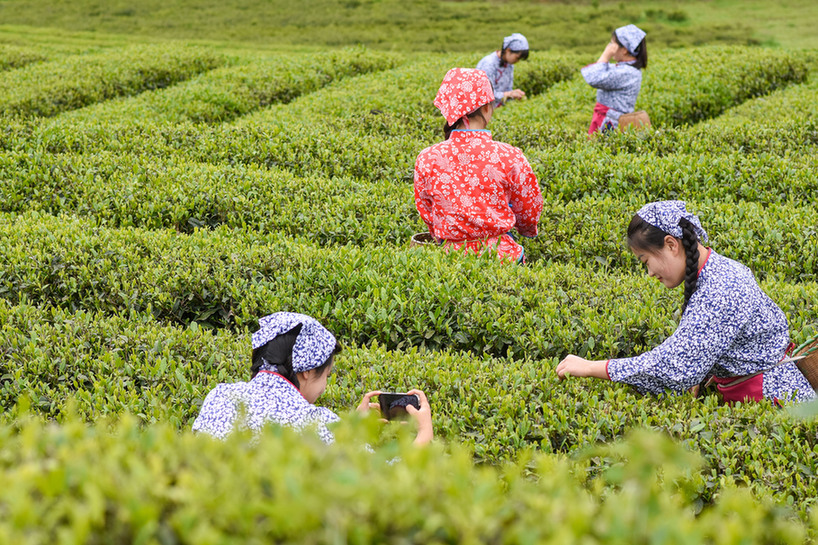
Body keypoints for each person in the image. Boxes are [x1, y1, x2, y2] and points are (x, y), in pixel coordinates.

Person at [555, 201, 815, 404]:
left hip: (773, 403)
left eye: (646, 261)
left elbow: (674, 366)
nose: (649, 273)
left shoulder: (722, 287)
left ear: (671, 244)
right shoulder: (716, 271)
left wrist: (591, 367)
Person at [193, 312, 434, 444]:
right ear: (307, 371)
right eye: (326, 375)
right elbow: (382, 482)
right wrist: (425, 432)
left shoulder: (220, 395)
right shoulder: (317, 423)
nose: (324, 386)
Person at [413, 67, 543, 263]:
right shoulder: (509, 155)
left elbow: (426, 210)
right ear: (486, 108)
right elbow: (528, 207)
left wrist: (443, 237)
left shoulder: (427, 157)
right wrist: (527, 231)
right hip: (503, 258)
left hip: (450, 261)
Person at [581, 24, 647, 134]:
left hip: (612, 124)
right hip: (608, 119)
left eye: (613, 44)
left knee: (601, 149)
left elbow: (593, 78)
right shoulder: (626, 68)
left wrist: (605, 56)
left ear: (624, 50)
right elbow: (595, 71)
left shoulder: (627, 72)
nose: (610, 47)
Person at [476, 33, 529, 107]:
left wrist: (514, 94)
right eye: (517, 58)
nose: (518, 61)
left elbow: (508, 89)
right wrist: (509, 94)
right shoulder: (489, 64)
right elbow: (486, 94)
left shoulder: (509, 64)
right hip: (484, 110)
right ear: (508, 50)